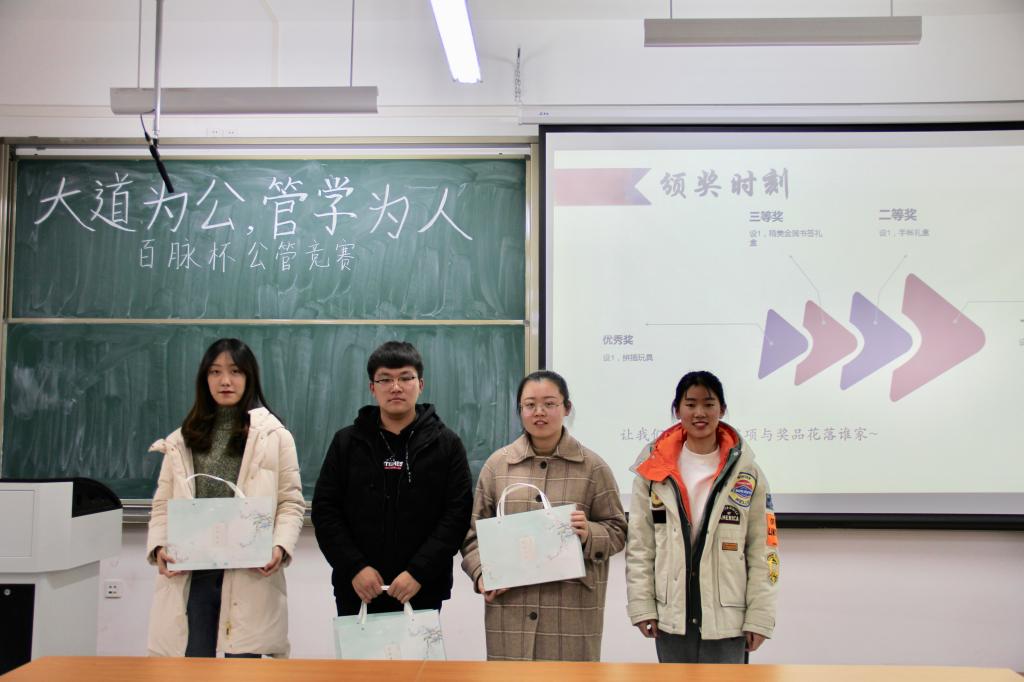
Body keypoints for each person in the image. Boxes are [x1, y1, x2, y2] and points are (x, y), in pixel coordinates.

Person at [145, 338, 304, 658]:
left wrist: (280, 546)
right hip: (193, 571)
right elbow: (163, 503)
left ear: (249, 377)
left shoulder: (274, 436)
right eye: (215, 372)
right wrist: (159, 546)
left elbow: (291, 502)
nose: (225, 381)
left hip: (250, 568)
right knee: (193, 663)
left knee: (243, 665)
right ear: (205, 379)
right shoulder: (182, 439)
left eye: (235, 371)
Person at [461, 370, 627, 661]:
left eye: (549, 404)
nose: (539, 412)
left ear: (567, 407)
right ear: (520, 410)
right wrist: (481, 574)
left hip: (571, 609)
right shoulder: (498, 465)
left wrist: (590, 533)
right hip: (511, 607)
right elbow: (472, 535)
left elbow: (618, 530)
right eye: (530, 405)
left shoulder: (593, 467)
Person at [625, 370, 779, 664]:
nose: (699, 413)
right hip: (672, 616)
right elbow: (640, 546)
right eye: (690, 404)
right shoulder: (653, 472)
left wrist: (760, 617)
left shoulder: (747, 473)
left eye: (709, 404)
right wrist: (642, 605)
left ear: (722, 409)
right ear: (677, 410)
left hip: (728, 619)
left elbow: (763, 549)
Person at [312, 340, 473, 617]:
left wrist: (418, 571)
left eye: (405, 378)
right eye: (385, 379)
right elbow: (325, 511)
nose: (396, 387)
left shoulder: (446, 444)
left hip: (422, 588)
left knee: (419, 650)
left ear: (420, 384)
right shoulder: (346, 442)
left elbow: (457, 515)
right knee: (359, 649)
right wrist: (355, 567)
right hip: (358, 590)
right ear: (372, 388)